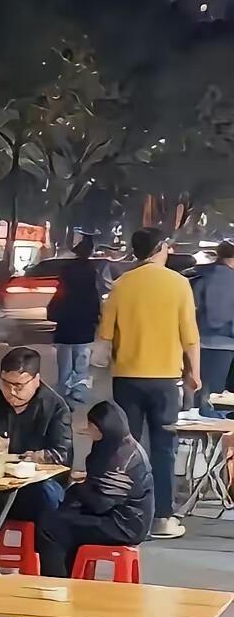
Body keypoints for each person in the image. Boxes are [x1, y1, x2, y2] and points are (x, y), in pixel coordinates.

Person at [95, 227, 199, 540]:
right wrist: (194, 373)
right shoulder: (178, 284)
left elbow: (105, 336)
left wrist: (98, 368)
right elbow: (190, 336)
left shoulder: (122, 285)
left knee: (125, 446)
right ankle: (163, 517)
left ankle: (126, 512)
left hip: (127, 378)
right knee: (164, 448)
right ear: (159, 248)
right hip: (165, 380)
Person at [0, 347, 73, 527]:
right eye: (6, 384)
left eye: (19, 386)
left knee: (47, 493)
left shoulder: (56, 408)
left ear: (36, 380)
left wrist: (25, 456)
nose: (12, 392)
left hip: (35, 486)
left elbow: (62, 456)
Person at [35, 401, 154, 578]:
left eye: (91, 426)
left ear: (102, 428)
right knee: (64, 515)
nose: (88, 430)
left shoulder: (121, 458)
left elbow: (101, 503)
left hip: (124, 524)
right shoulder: (118, 444)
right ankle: (72, 576)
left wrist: (77, 487)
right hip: (121, 516)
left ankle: (56, 582)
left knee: (51, 526)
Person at [46, 237, 103, 411]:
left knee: (64, 362)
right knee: (81, 363)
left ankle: (63, 391)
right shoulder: (92, 272)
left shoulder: (67, 271)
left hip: (66, 325)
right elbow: (96, 300)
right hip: (84, 326)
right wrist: (97, 319)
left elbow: (58, 296)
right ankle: (78, 391)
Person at [191, 241, 234, 412]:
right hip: (223, 345)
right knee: (220, 403)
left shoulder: (199, 276)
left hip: (201, 344)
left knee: (204, 398)